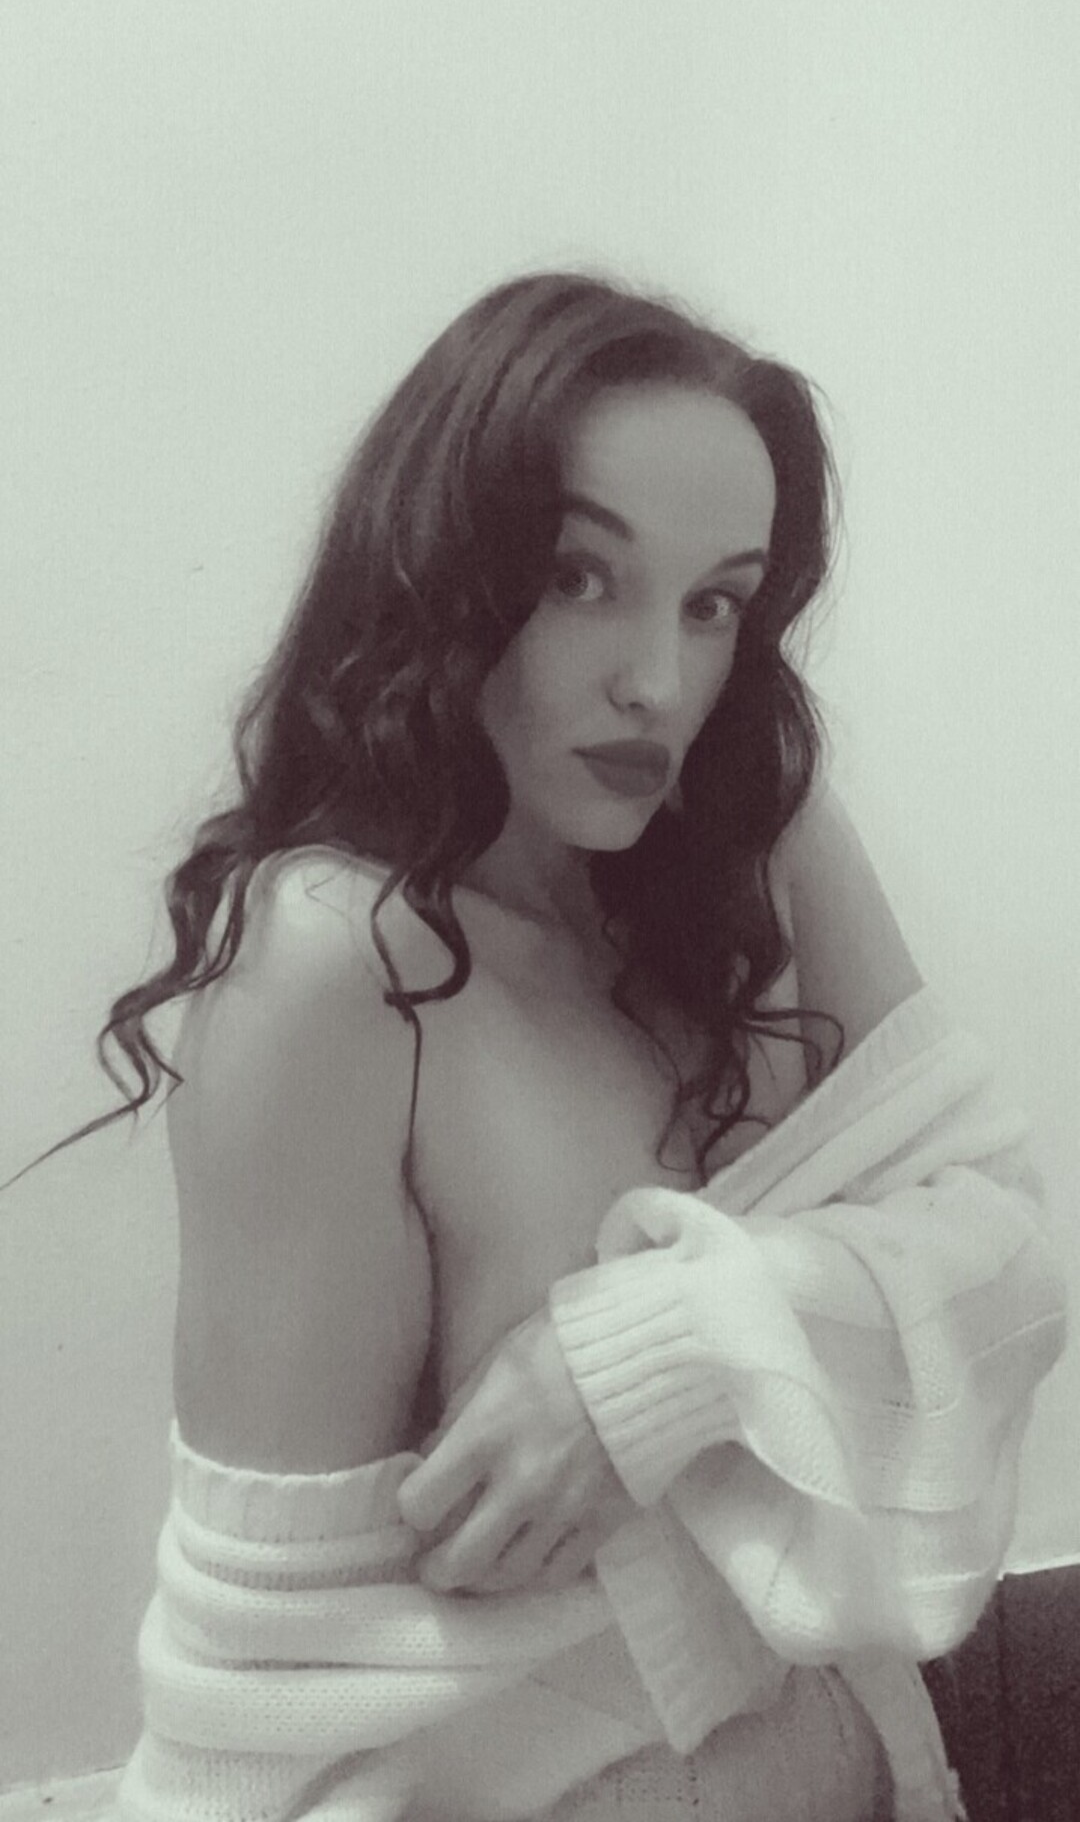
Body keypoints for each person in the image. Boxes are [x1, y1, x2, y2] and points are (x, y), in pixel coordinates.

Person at [15, 272, 1066, 1819]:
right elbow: (264, 1699)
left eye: (715, 602)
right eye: (583, 578)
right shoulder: (337, 966)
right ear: (440, 573)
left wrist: (663, 1359)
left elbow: (1011, 1261)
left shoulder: (757, 842)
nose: (661, 681)